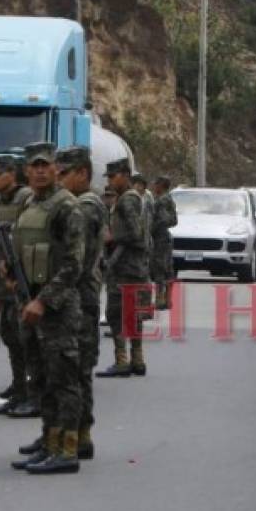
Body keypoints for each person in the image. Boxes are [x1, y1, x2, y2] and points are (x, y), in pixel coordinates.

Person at [9, 142, 85, 475]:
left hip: (56, 308)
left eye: (46, 165)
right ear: (26, 171)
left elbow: (73, 264)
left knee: (63, 380)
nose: (40, 170)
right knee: (40, 379)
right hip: (29, 304)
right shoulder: (29, 202)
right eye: (34, 165)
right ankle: (49, 440)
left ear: (56, 169)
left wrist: (44, 300)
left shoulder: (66, 207)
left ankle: (67, 449)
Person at [58, 146, 105, 460]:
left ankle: (77, 438)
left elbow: (74, 257)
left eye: (65, 173)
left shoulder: (85, 208)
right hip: (79, 294)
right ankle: (66, 435)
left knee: (76, 369)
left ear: (83, 174)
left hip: (82, 297)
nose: (59, 179)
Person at [0, 155, 37, 418]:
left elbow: (24, 239)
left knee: (24, 336)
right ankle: (19, 385)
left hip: (20, 277)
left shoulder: (25, 198)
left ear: (11, 174)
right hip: (4, 280)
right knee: (9, 335)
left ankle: (31, 388)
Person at [97, 159, 150, 378]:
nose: (110, 181)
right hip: (134, 266)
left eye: (113, 176)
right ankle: (137, 360)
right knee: (133, 314)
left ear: (125, 175)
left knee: (116, 313)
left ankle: (122, 361)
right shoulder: (132, 198)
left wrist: (111, 237)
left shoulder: (127, 201)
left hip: (124, 267)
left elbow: (135, 234)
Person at [150, 176, 178, 310]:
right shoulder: (167, 199)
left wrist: (151, 228)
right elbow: (174, 220)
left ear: (160, 185)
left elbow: (165, 219)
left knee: (159, 268)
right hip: (163, 237)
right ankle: (167, 299)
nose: (153, 186)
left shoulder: (161, 201)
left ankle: (160, 299)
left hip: (159, 237)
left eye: (155, 184)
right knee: (167, 269)